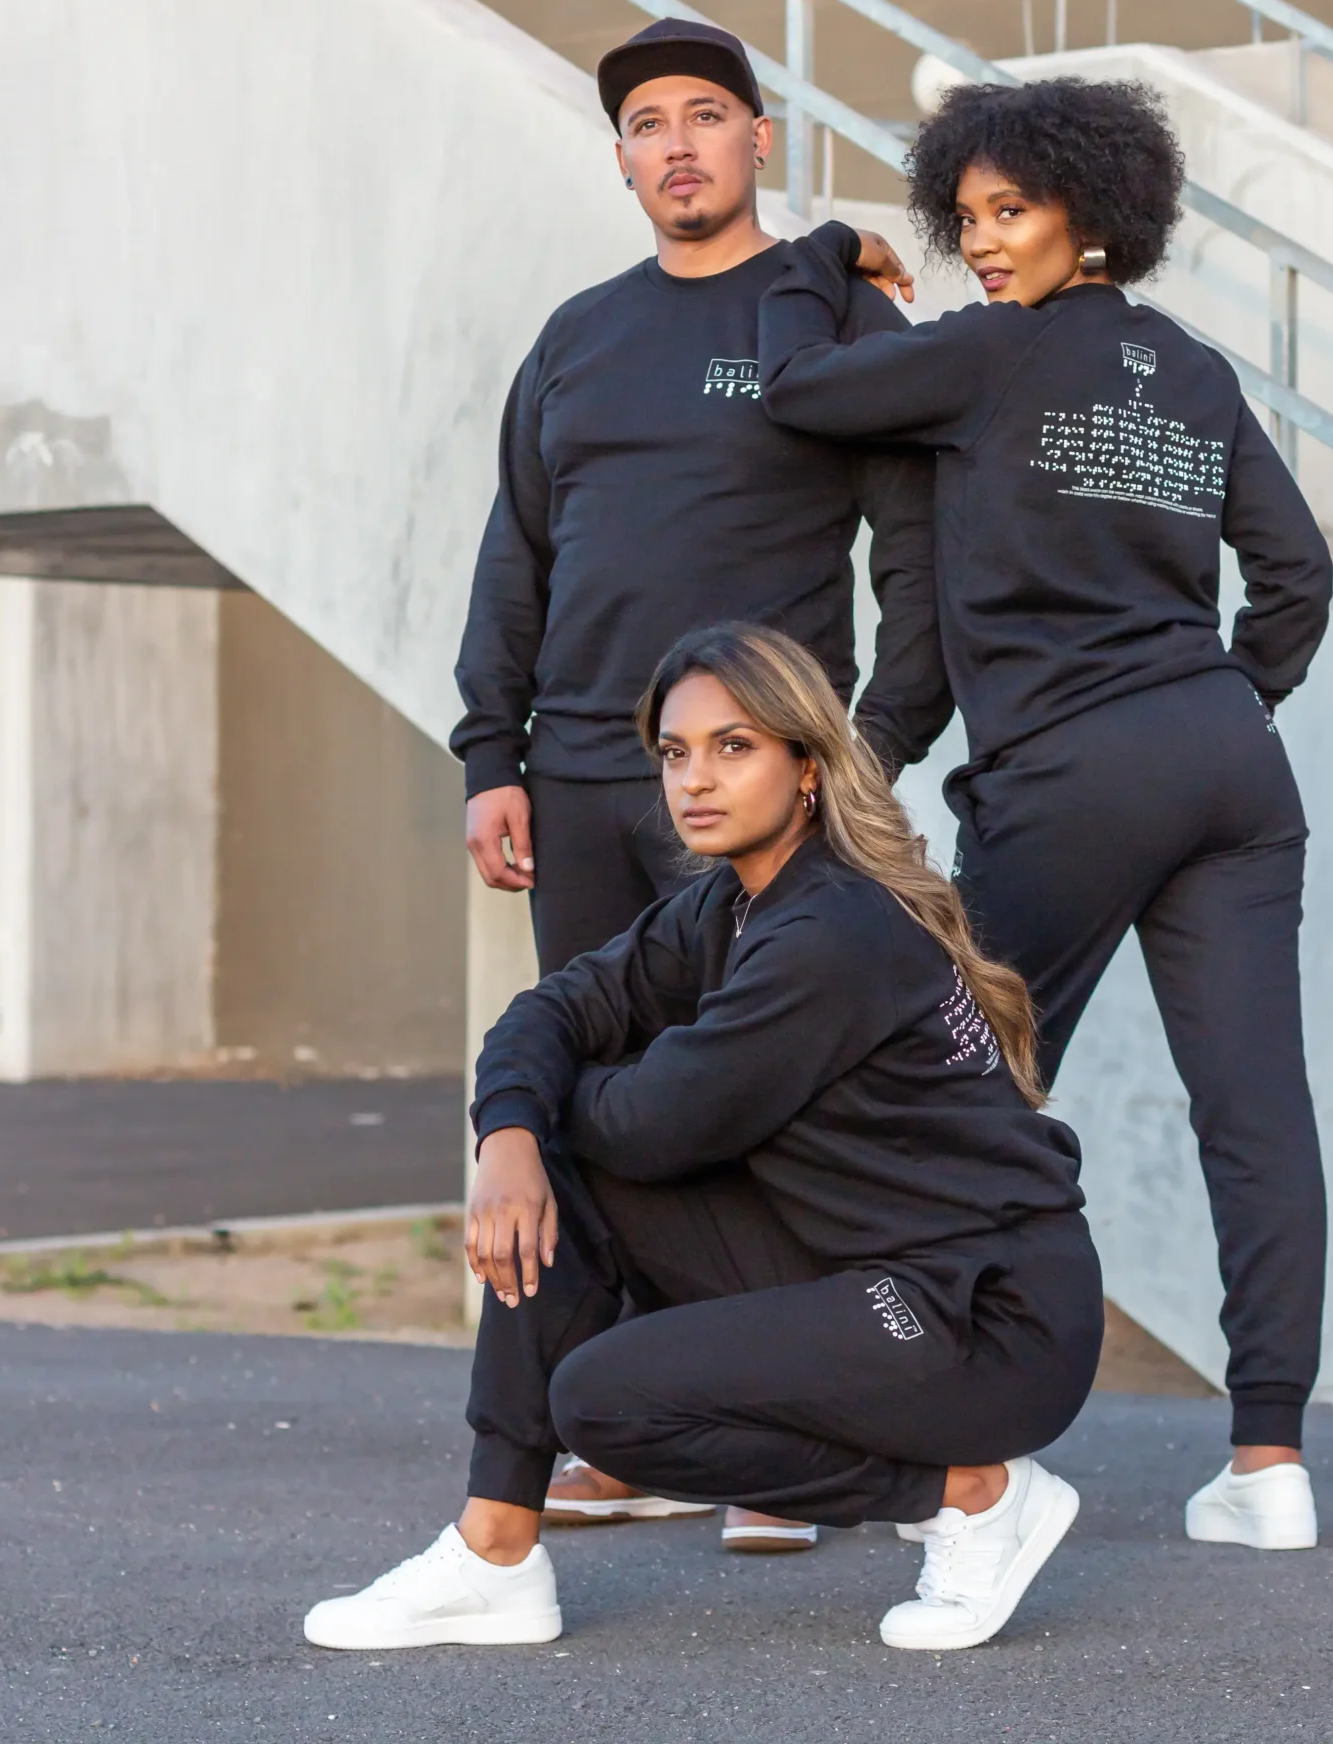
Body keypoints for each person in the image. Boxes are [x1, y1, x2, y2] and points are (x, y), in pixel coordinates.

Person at [756, 75, 1333, 1555]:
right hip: (1225, 769)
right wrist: (1227, 701)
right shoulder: (1194, 372)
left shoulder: (985, 361)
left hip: (1071, 778)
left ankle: (946, 1454)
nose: (981, 244)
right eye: (964, 220)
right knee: (1253, 1116)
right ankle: (1266, 1463)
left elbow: (796, 389)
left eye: (1007, 211)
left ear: (1092, 210)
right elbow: (1295, 580)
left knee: (962, 1105)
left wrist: (820, 263)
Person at [306, 624, 1103, 1657]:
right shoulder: (728, 905)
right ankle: (493, 1553)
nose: (695, 779)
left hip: (987, 1318)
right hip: (865, 1258)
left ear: (806, 766)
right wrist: (508, 1131)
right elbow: (553, 1008)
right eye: (677, 752)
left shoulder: (833, 934)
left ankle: (974, 1494)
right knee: (560, 1162)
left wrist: (547, 1116)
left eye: (734, 747)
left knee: (604, 1401)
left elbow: (656, 1127)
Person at [451, 15, 952, 1547]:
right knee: (605, 1106)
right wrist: (493, 755)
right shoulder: (575, 337)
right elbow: (517, 556)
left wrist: (869, 748)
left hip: (751, 794)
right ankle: (636, 1418)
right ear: (620, 160)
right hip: (581, 776)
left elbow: (911, 556)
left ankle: (783, 1432)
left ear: (758, 144)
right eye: (647, 124)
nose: (676, 144)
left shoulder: (829, 323)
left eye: (706, 116)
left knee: (766, 1106)